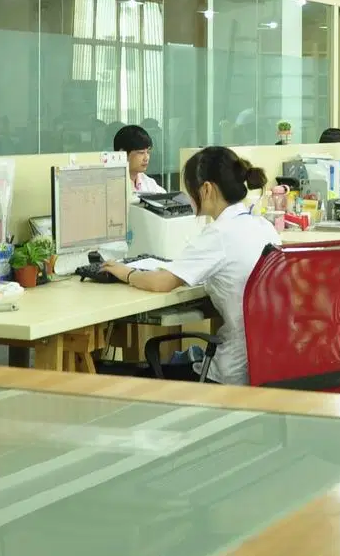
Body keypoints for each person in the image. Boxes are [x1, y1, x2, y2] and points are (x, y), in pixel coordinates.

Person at [99, 147, 279, 384]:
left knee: (125, 377)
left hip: (230, 373)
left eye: (189, 190)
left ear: (206, 189)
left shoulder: (219, 233)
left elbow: (162, 283)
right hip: (267, 364)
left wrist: (126, 272)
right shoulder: (264, 226)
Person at [113, 124, 164, 194]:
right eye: (141, 152)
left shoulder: (148, 182)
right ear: (122, 154)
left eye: (148, 152)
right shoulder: (110, 186)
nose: (146, 158)